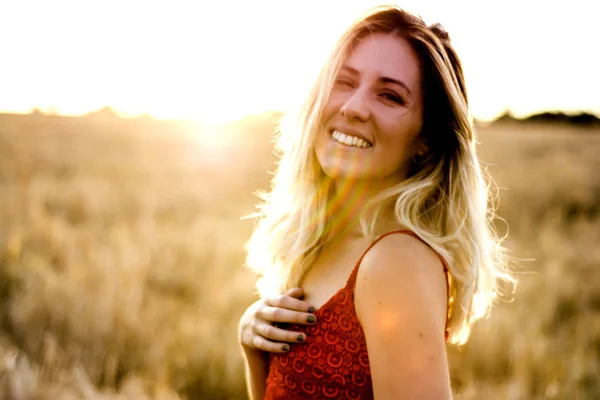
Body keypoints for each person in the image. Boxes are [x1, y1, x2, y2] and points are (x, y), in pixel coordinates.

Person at [238, 5, 515, 399]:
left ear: (427, 140)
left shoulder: (397, 261)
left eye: (390, 95)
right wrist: (253, 349)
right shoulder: (321, 244)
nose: (354, 107)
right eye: (344, 82)